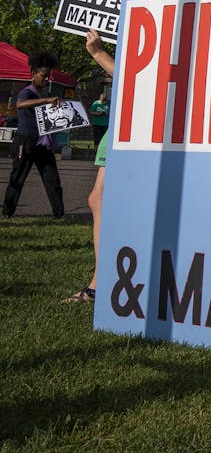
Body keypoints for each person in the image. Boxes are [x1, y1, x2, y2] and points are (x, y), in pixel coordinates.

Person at [64, 30, 115, 303]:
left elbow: (134, 77)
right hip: (120, 127)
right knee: (99, 199)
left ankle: (101, 282)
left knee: (102, 199)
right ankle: (102, 281)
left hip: (132, 126)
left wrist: (98, 53)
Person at [3, 50, 65, 218]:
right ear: (33, 74)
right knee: (18, 177)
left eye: (48, 76)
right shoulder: (27, 92)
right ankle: (8, 212)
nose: (46, 79)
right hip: (26, 141)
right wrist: (44, 101)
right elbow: (21, 104)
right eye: (43, 76)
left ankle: (59, 214)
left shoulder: (47, 93)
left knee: (52, 178)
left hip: (43, 143)